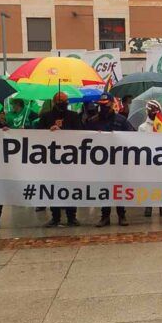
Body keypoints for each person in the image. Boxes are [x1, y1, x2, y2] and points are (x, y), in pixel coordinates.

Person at [85, 93, 136, 227]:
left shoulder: (121, 120)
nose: (104, 106)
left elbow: (133, 136)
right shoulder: (93, 121)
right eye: (101, 104)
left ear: (112, 103)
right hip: (101, 162)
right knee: (104, 189)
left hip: (118, 161)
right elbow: (84, 138)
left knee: (118, 189)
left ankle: (122, 215)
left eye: (106, 104)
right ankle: (105, 216)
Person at [37, 92, 83, 227]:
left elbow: (80, 133)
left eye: (65, 100)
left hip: (70, 159)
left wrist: (63, 130)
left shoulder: (73, 116)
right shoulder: (46, 117)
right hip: (52, 160)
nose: (63, 102)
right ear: (54, 102)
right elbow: (37, 135)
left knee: (70, 187)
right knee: (54, 187)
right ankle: (55, 217)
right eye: (60, 100)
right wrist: (48, 130)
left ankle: (71, 216)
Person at [139, 100, 162, 217]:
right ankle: (149, 206)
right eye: (151, 111)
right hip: (148, 160)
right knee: (149, 184)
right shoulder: (142, 127)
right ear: (147, 112)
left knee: (161, 183)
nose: (154, 113)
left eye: (156, 111)